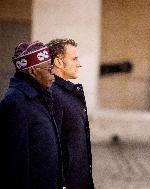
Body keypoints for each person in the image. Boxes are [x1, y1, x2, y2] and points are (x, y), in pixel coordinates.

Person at [0, 41, 64, 189]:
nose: (53, 72)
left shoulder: (40, 96)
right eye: (48, 68)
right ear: (32, 71)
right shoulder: (16, 102)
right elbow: (14, 162)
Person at [47, 38, 95, 189]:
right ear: (59, 62)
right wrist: (61, 183)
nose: (79, 64)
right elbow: (52, 145)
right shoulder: (53, 95)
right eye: (74, 59)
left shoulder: (69, 92)